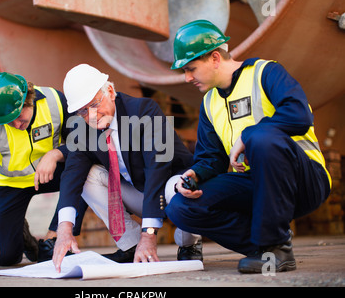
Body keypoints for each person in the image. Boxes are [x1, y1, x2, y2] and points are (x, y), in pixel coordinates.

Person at [165, 20, 331, 273]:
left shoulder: (266, 73)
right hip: (256, 188)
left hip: (304, 182)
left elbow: (299, 115)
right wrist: (194, 174)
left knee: (260, 138)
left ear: (215, 58)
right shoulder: (209, 102)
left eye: (191, 69)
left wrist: (248, 134)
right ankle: (269, 250)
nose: (187, 78)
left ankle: (274, 243)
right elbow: (211, 158)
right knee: (180, 208)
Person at [52, 64, 200, 272]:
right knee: (88, 175)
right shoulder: (84, 128)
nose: (91, 115)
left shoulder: (145, 110)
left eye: (94, 104)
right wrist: (64, 229)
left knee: (180, 189)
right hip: (138, 191)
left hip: (171, 186)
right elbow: (71, 175)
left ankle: (189, 244)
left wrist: (148, 235)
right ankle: (130, 245)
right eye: (83, 111)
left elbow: (157, 169)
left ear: (110, 92)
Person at [0, 72, 86, 270]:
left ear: (29, 100)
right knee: (5, 257)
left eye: (19, 117)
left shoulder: (55, 101)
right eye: (8, 121)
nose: (16, 125)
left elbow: (83, 141)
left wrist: (56, 153)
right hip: (9, 184)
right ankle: (23, 235)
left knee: (89, 170)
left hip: (50, 173)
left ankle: (53, 236)